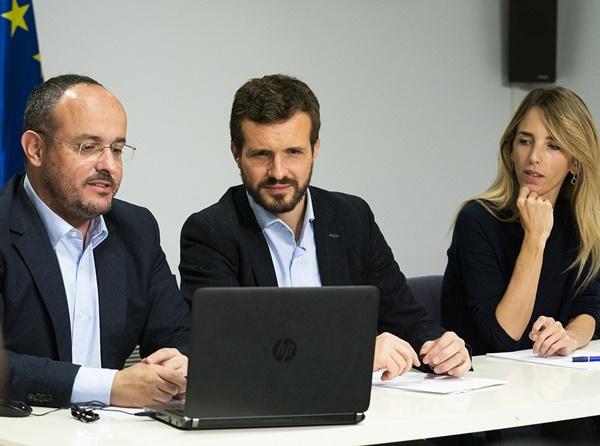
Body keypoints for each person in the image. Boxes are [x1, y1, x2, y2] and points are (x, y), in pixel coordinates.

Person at [180, 74, 471, 379]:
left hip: (363, 414)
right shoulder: (211, 233)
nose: (278, 172)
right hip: (264, 418)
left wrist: (441, 347)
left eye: (293, 152)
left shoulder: (352, 218)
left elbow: (405, 317)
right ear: (236, 152)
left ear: (315, 149)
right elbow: (229, 353)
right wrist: (355, 352)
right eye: (261, 154)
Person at [0, 74, 190, 408]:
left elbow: (177, 334)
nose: (108, 166)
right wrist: (110, 386)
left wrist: (182, 363)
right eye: (87, 147)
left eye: (116, 149)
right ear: (35, 149)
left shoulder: (137, 229)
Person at [441, 86, 600, 357]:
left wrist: (569, 337)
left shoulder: (582, 224)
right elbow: (502, 336)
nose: (533, 157)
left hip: (545, 381)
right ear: (511, 150)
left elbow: (590, 307)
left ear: (574, 162)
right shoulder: (477, 219)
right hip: (481, 383)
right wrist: (535, 238)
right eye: (525, 141)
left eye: (553, 145)